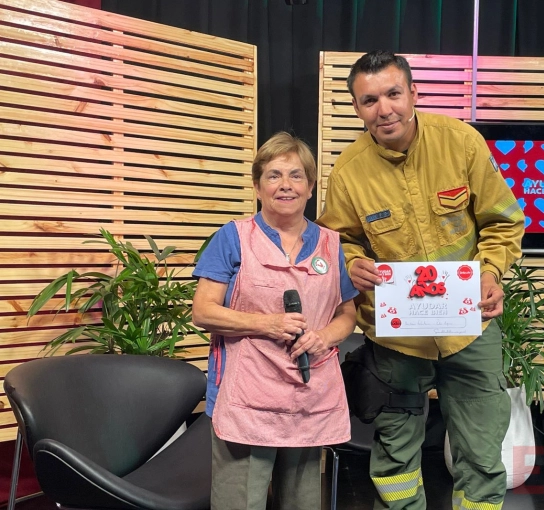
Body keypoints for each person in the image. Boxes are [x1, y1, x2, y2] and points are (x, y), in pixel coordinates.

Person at [316, 50, 525, 510]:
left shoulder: (461, 142)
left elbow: (503, 221)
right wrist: (350, 264)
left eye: (393, 93)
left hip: (470, 329)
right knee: (395, 460)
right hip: (397, 342)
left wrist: (490, 272)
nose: (384, 109)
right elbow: (336, 241)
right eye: (369, 100)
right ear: (357, 108)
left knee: (481, 455)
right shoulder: (349, 173)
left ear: (414, 93)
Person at [192, 131, 358, 510]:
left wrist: (323, 337)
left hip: (308, 396)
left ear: (311, 186)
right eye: (274, 175)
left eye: (296, 175)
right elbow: (203, 311)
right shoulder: (232, 238)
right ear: (257, 185)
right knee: (240, 502)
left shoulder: (331, 246)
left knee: (302, 502)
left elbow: (347, 313)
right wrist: (267, 324)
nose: (286, 185)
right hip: (246, 398)